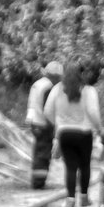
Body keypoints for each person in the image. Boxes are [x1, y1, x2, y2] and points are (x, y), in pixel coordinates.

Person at [43, 60, 102, 207]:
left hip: (64, 133)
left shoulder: (58, 89)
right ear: (82, 73)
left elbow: (47, 111)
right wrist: (99, 128)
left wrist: (58, 124)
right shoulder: (88, 90)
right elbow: (93, 111)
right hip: (84, 132)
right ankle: (84, 197)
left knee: (70, 167)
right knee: (85, 165)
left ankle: (70, 200)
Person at [26, 60, 63, 188]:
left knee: (38, 153)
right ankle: (39, 183)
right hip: (43, 124)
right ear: (55, 76)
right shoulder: (49, 87)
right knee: (43, 155)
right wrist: (53, 126)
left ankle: (37, 181)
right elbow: (48, 110)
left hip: (35, 122)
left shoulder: (37, 84)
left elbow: (32, 104)